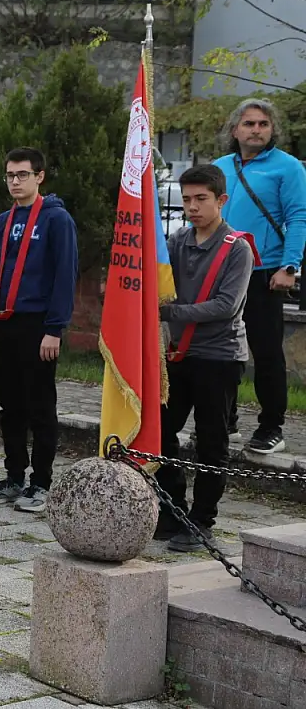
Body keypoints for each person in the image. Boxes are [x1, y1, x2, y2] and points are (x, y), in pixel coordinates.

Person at [156, 165, 254, 551]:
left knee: (212, 442)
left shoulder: (237, 248)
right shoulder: (178, 241)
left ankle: (202, 520)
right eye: (186, 200)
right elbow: (159, 280)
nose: (192, 208)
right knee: (161, 433)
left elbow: (225, 306)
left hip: (219, 356)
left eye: (201, 200)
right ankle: (174, 508)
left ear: (221, 200)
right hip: (179, 354)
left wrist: (171, 313)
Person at [0, 148, 78, 513]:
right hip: (2, 322)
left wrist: (55, 328)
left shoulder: (57, 219)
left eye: (22, 175)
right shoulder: (4, 221)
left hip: (37, 325)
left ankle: (42, 482)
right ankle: (14, 476)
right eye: (10, 176)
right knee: (9, 405)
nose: (15, 181)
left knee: (40, 406)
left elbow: (65, 276)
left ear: (40, 177)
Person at [213, 99, 306, 454]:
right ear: (235, 129)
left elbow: (298, 218)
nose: (256, 129)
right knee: (219, 349)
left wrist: (289, 266)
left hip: (265, 271)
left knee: (266, 352)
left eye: (263, 124)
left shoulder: (288, 167)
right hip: (221, 271)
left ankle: (272, 428)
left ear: (272, 130)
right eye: (249, 123)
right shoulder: (220, 167)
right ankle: (226, 419)